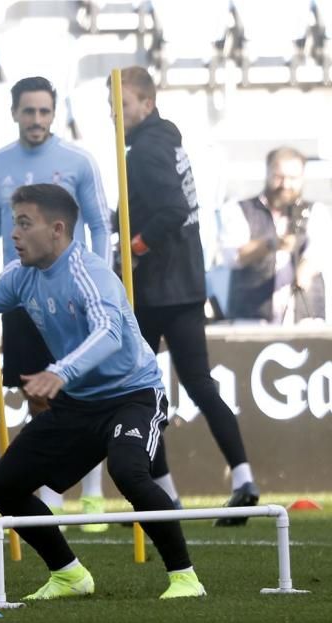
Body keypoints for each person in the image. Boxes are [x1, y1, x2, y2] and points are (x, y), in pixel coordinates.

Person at [0, 183, 205, 600]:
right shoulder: (22, 276)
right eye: (14, 224)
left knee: (129, 472)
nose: (14, 235)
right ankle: (69, 574)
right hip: (80, 404)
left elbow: (110, 334)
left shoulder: (90, 272)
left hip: (133, 396)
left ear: (57, 229)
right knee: (3, 486)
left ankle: (185, 578)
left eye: (25, 224)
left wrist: (61, 371)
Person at [114, 66, 259, 525]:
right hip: (187, 285)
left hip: (157, 289)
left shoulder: (145, 149)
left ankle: (168, 496)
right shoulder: (168, 141)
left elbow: (173, 209)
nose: (116, 114)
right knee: (199, 384)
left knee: (140, 389)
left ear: (147, 103)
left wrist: (134, 247)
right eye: (111, 106)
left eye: (123, 104)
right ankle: (243, 479)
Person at [0, 76, 113, 531]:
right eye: (28, 111)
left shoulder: (79, 160)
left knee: (86, 392)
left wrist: (101, 280)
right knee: (36, 394)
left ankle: (94, 496)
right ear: (14, 112)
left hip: (74, 294)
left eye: (44, 111)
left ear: (54, 113)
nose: (36, 120)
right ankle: (50, 494)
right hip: (22, 295)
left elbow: (100, 223)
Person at [218, 146, 329, 323]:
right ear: (268, 173)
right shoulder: (239, 210)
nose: (285, 184)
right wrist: (272, 244)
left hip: (304, 320)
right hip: (252, 322)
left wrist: (305, 269)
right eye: (279, 177)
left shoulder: (316, 211)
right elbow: (233, 256)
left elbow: (320, 250)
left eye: (293, 178)